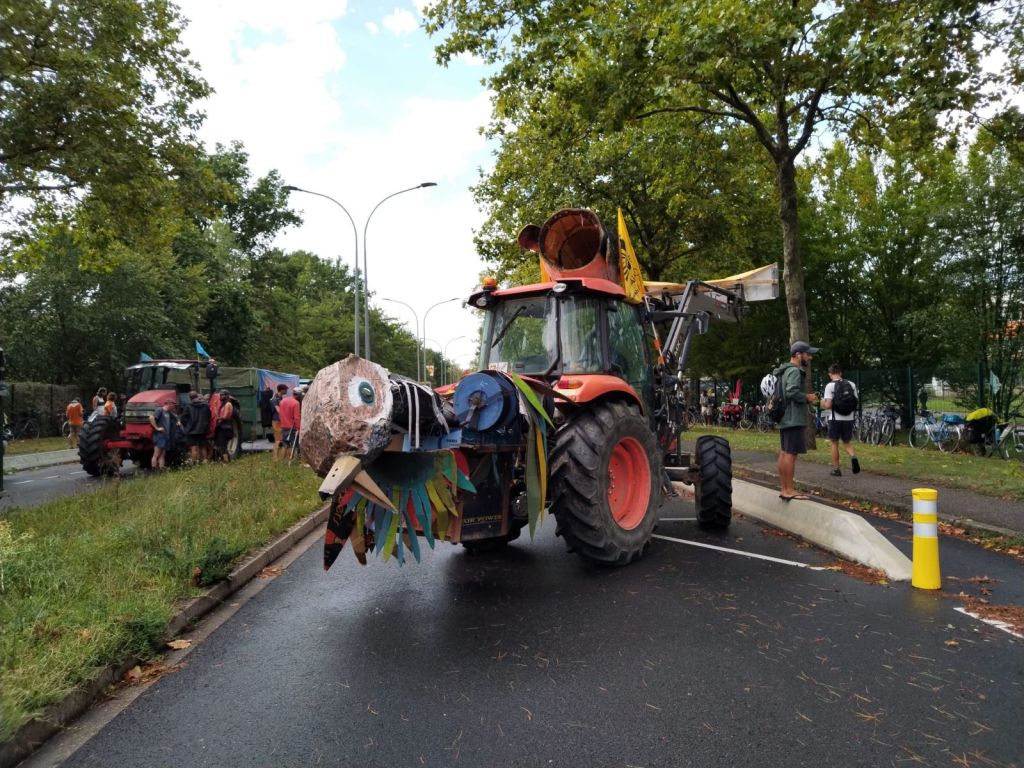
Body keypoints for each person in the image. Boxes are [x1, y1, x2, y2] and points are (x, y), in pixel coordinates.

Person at [773, 341, 819, 500]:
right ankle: (789, 490)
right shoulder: (794, 371)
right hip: (793, 418)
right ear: (798, 355)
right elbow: (791, 391)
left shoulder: (784, 371)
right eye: (808, 354)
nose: (810, 357)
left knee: (784, 452)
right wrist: (807, 397)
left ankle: (784, 488)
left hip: (784, 417)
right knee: (790, 454)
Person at [821, 364, 860, 477]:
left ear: (830, 374)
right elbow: (855, 401)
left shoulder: (830, 386)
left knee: (834, 443)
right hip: (849, 418)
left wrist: (822, 402)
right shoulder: (851, 384)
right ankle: (853, 456)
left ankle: (836, 469)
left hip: (835, 418)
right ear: (840, 373)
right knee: (847, 442)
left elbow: (828, 405)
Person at [148, 401, 179, 470]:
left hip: (166, 436)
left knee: (162, 455)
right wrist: (156, 428)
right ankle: (154, 469)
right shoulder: (160, 410)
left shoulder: (169, 412)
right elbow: (151, 418)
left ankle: (161, 470)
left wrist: (178, 421)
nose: (174, 407)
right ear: (169, 404)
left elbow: (176, 417)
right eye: (173, 405)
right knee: (156, 454)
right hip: (159, 436)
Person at [183, 391, 211, 463]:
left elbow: (184, 419)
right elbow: (209, 416)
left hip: (192, 431)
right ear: (197, 396)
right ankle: (205, 462)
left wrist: (188, 426)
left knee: (194, 447)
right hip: (203, 430)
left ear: (189, 398)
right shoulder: (205, 406)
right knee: (203, 446)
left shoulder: (188, 406)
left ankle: (195, 463)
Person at [277, 386, 302, 462]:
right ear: (299, 395)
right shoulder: (296, 403)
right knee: (296, 444)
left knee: (285, 443)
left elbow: (280, 413)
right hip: (292, 426)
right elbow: (297, 417)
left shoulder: (282, 401)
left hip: (283, 425)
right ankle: (297, 459)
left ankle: (284, 459)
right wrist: (299, 428)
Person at [214, 390, 235, 463]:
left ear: (226, 396)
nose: (221, 396)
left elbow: (225, 416)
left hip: (225, 427)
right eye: (220, 395)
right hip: (223, 427)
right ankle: (225, 460)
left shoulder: (228, 404)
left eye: (222, 395)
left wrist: (217, 418)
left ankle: (226, 461)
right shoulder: (223, 404)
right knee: (222, 445)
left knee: (223, 445)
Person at [271, 384, 287, 460]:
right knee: (277, 439)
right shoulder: (275, 399)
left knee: (281, 439)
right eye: (285, 389)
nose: (286, 391)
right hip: (276, 420)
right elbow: (278, 410)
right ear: (281, 390)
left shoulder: (280, 398)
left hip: (280, 420)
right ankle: (275, 457)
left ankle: (279, 457)